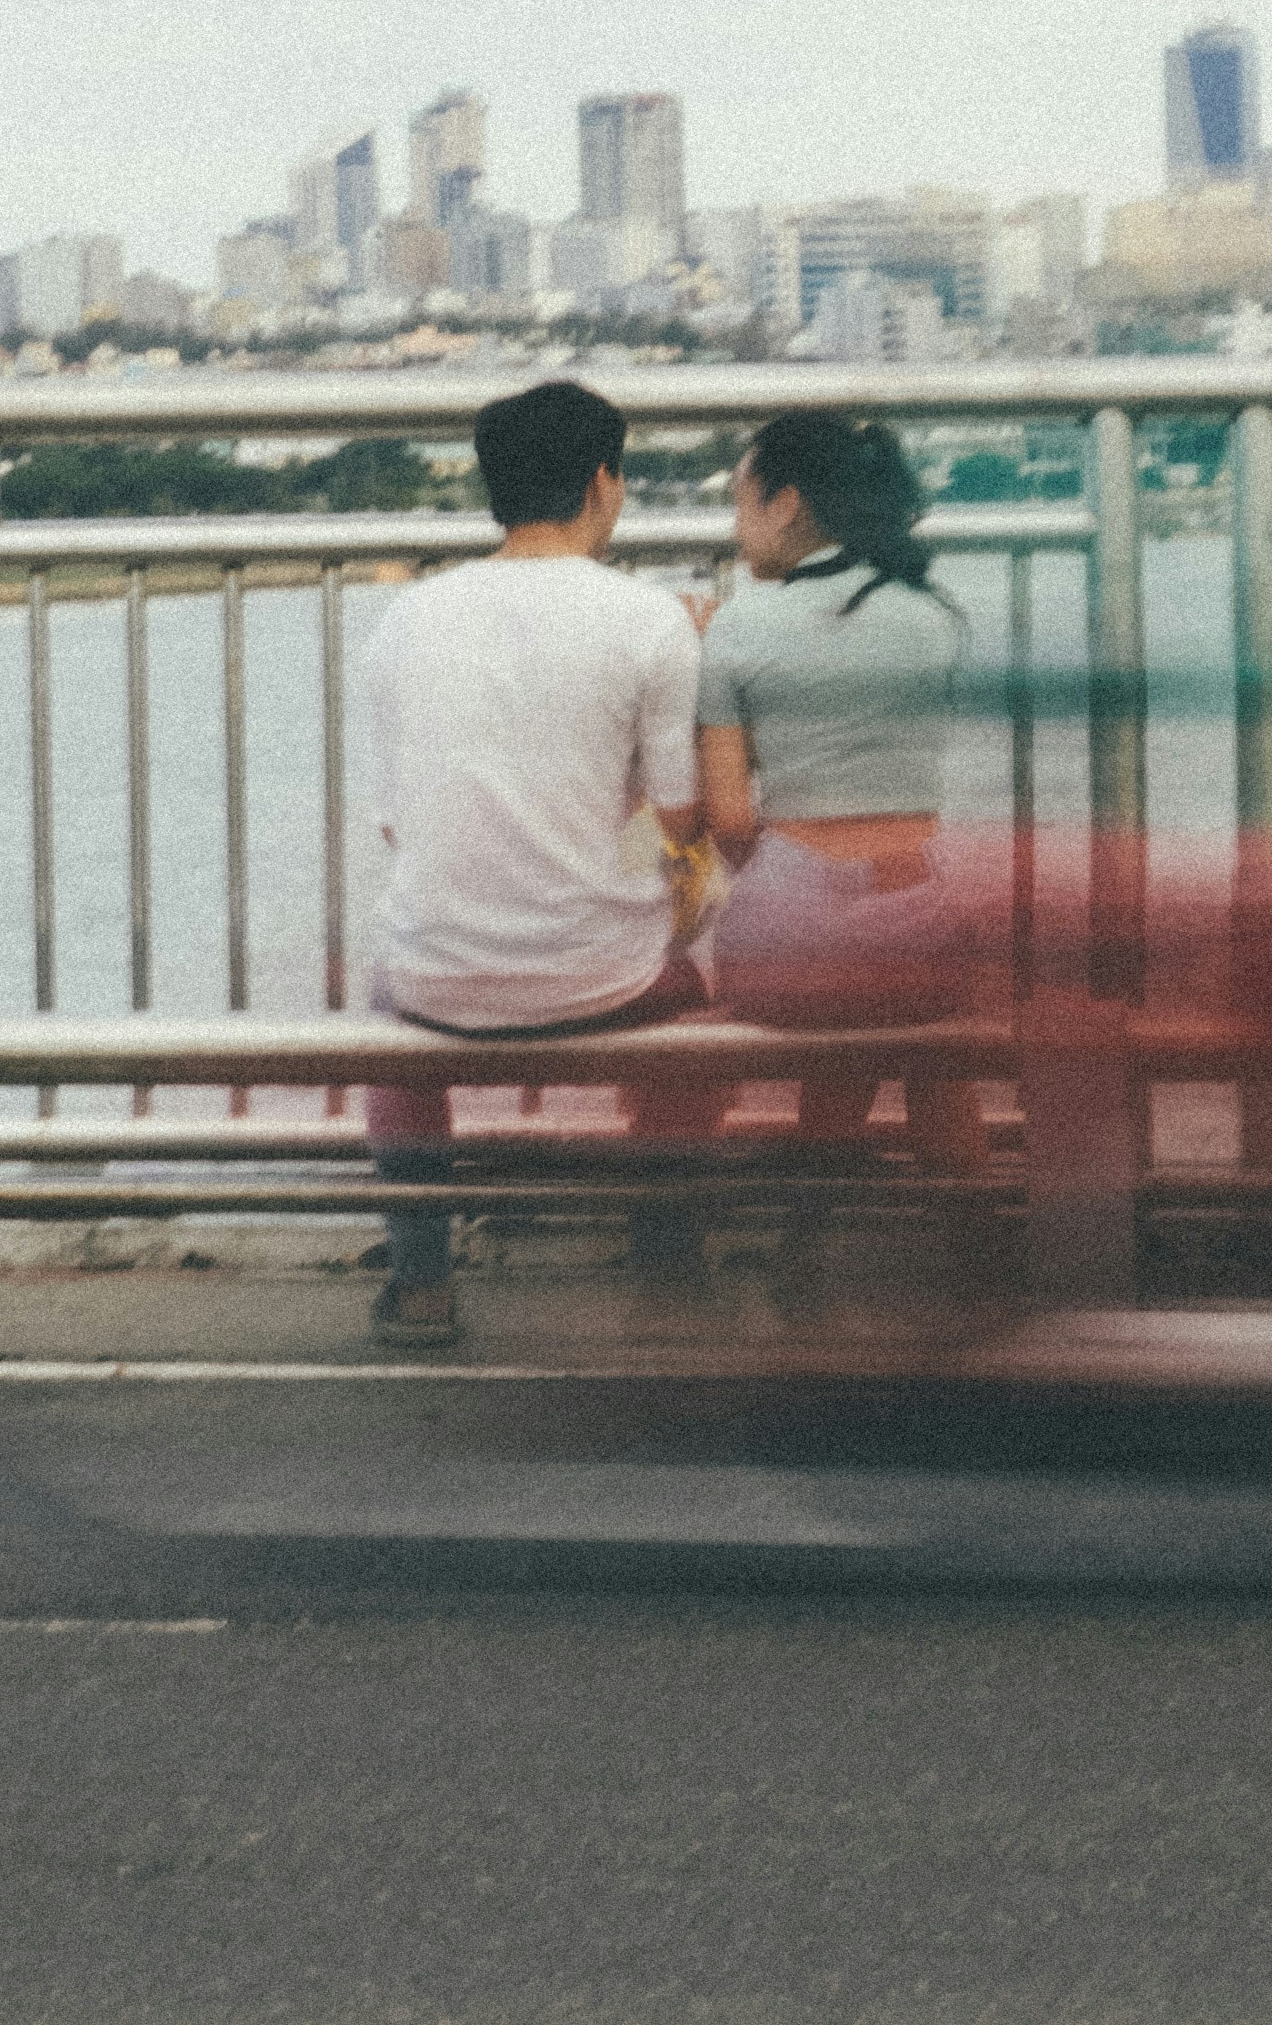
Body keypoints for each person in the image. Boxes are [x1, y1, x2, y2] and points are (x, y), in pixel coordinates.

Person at [351, 378, 706, 1349]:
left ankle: (422, 1283)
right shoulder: (651, 619)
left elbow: (395, 828)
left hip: (441, 977)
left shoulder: (407, 619)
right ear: (604, 481)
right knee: (694, 1018)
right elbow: (682, 816)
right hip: (607, 977)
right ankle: (667, 1270)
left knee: (392, 1014)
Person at [693, 411, 982, 1153]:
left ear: (786, 504)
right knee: (928, 1047)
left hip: (789, 946)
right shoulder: (934, 618)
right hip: (914, 922)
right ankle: (974, 1235)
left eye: (740, 502)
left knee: (839, 983)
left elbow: (728, 822)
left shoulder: (735, 628)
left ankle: (807, 1222)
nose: (737, 527)